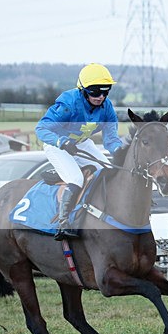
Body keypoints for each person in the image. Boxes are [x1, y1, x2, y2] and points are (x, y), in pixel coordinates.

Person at [35, 63, 123, 240]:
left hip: (81, 142)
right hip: (57, 144)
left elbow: (111, 139)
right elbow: (41, 129)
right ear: (82, 89)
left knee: (107, 171)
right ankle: (63, 223)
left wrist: (121, 153)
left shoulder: (107, 108)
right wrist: (61, 141)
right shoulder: (68, 103)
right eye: (95, 92)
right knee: (76, 179)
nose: (100, 97)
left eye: (105, 92)